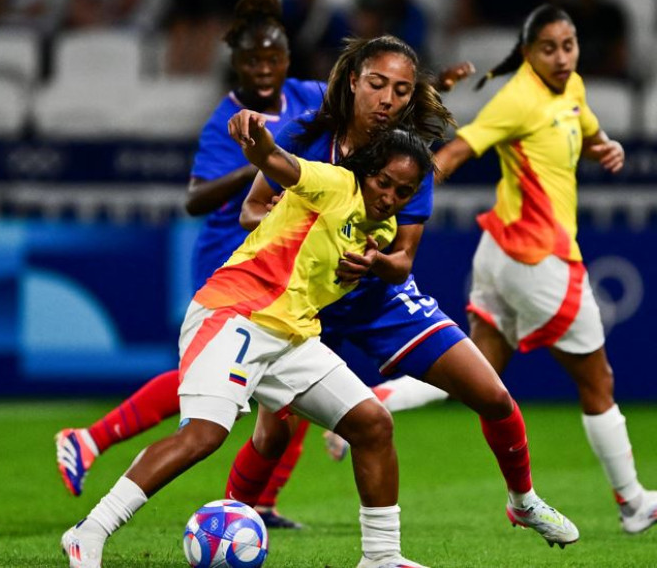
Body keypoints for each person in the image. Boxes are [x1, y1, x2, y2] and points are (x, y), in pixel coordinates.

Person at [55, 0, 473, 528]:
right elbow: (200, 198)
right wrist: (264, 161)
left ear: (286, 60)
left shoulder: (309, 96)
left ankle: (258, 505)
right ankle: (97, 445)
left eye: (273, 60)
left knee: (285, 404)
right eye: (254, 62)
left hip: (301, 259)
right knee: (213, 393)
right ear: (239, 65)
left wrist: (435, 91)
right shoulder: (232, 119)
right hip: (239, 250)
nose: (264, 70)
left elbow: (381, 96)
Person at [229, 35, 578, 550]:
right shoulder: (307, 136)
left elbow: (402, 263)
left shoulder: (410, 160)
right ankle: (227, 520)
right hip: (302, 301)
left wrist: (375, 261)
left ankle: (522, 501)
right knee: (272, 433)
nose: (388, 98)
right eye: (377, 84)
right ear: (353, 82)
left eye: (401, 90)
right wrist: (297, 224)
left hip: (377, 299)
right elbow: (250, 212)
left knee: (493, 396)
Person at [61, 114, 434, 568]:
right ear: (365, 170)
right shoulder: (333, 183)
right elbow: (276, 161)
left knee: (372, 424)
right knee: (204, 434)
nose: (389, 197)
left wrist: (370, 263)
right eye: (383, 182)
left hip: (291, 336)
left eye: (403, 192)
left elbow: (369, 265)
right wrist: (257, 141)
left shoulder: (382, 232)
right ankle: (89, 532)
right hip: (234, 313)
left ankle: (382, 557)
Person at [433, 3, 657, 535]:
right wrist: (398, 198)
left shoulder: (571, 89)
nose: (560, 56)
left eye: (568, 45)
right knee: (598, 381)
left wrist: (606, 150)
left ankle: (366, 411)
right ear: (527, 54)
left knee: (475, 376)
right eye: (548, 48)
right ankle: (633, 502)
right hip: (540, 261)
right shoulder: (519, 98)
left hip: (499, 251)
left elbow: (584, 138)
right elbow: (457, 151)